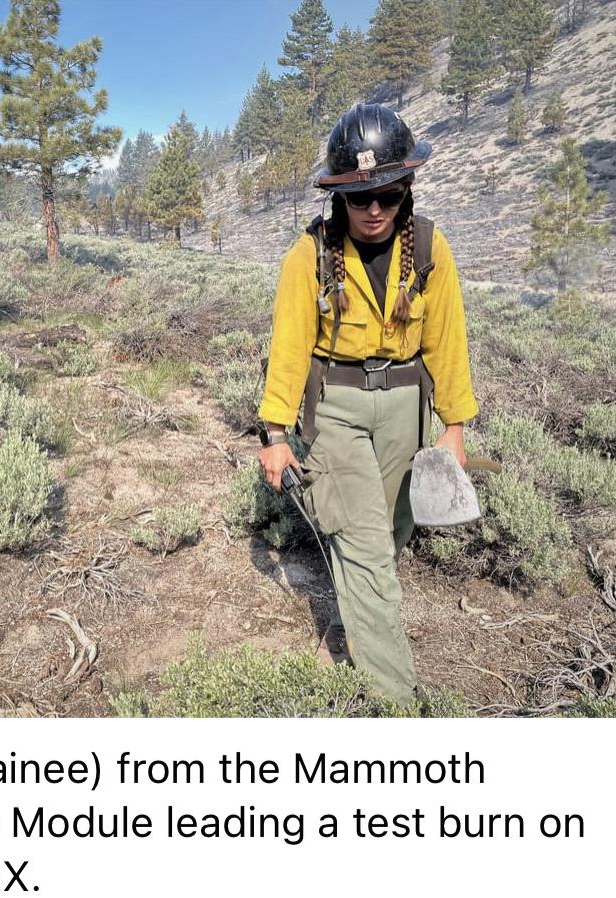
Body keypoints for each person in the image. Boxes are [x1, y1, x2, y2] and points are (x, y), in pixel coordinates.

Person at [257, 103, 479, 705]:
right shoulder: (311, 254)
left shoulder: (431, 248)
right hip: (337, 410)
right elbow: (290, 344)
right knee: (365, 546)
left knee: (392, 530)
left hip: (407, 407)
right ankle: (400, 707)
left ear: (405, 186)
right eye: (359, 199)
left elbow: (448, 341)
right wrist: (275, 433)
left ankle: (351, 624)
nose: (374, 209)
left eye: (386, 192)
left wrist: (454, 426)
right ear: (340, 199)